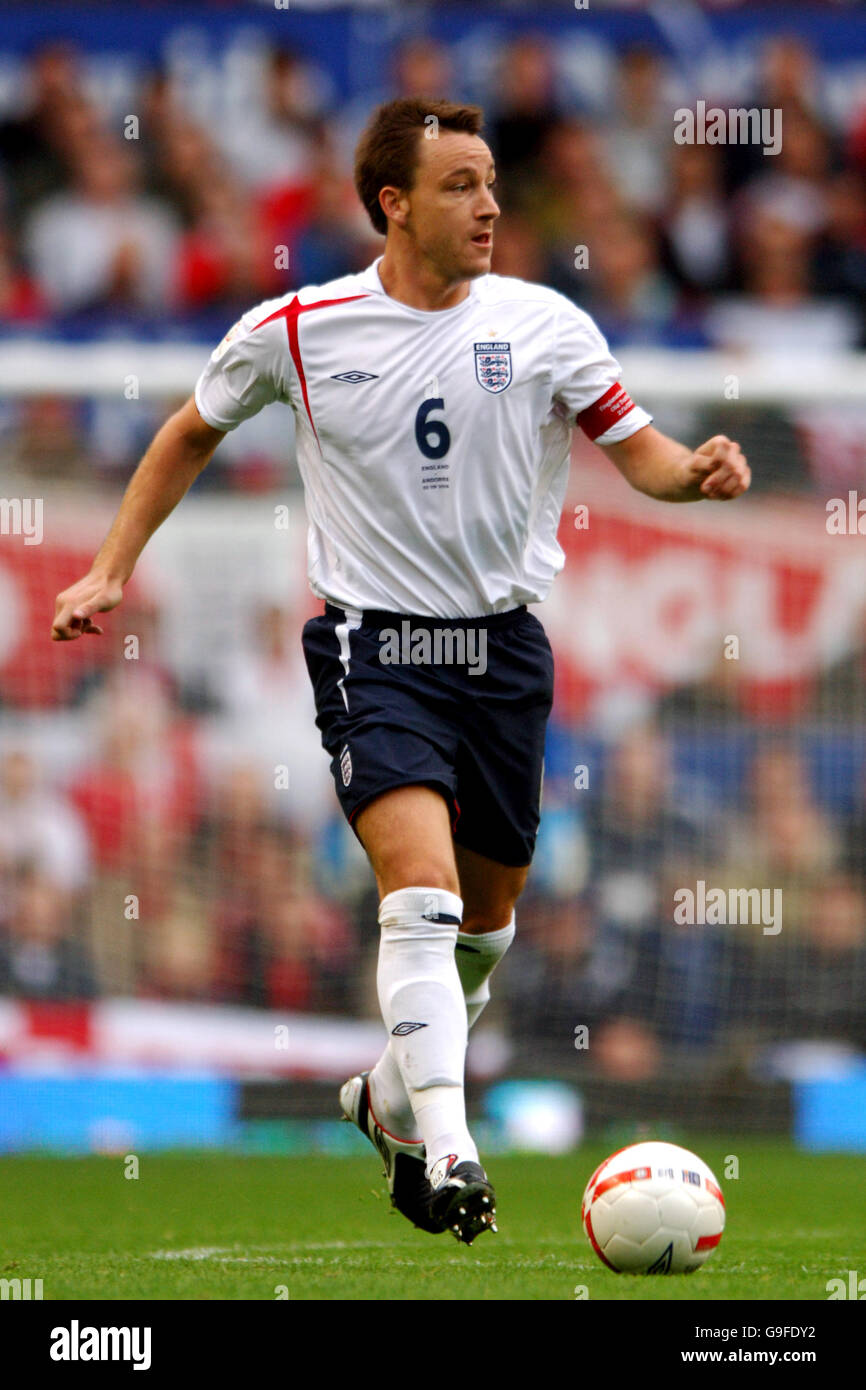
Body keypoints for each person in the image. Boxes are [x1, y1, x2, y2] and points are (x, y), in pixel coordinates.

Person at [51, 97, 750, 1245]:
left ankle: (382, 1100)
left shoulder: (545, 325)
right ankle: (450, 1149)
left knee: (484, 927)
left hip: (503, 655)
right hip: (375, 648)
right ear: (393, 203)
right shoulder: (299, 328)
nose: (487, 205)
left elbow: (642, 452)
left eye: (490, 184)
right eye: (460, 185)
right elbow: (187, 428)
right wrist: (109, 568)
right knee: (417, 901)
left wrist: (698, 473)